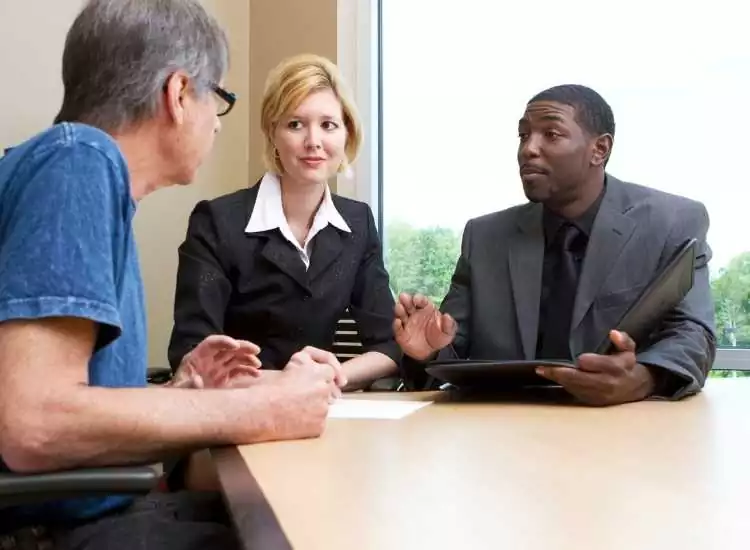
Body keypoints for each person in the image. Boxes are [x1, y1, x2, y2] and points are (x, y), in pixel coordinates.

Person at [0, 1, 345, 548]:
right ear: (179, 94)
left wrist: (185, 390)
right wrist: (260, 409)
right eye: (220, 99)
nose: (214, 120)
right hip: (62, 531)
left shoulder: (74, 171)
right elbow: (33, 423)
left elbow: (56, 398)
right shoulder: (79, 163)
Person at [394, 84, 716, 406]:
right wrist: (430, 350)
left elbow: (692, 334)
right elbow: (453, 346)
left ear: (599, 150)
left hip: (621, 431)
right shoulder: (485, 237)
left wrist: (643, 379)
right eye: (523, 135)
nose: (528, 149)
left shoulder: (671, 222)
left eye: (551, 134)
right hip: (502, 432)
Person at [167, 53, 400, 392]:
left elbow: (388, 345)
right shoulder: (218, 222)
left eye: (328, 125)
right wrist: (289, 383)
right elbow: (192, 353)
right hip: (236, 411)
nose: (314, 142)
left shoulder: (357, 222)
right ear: (272, 132)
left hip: (322, 411)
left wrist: (333, 376)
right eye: (295, 124)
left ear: (347, 133)